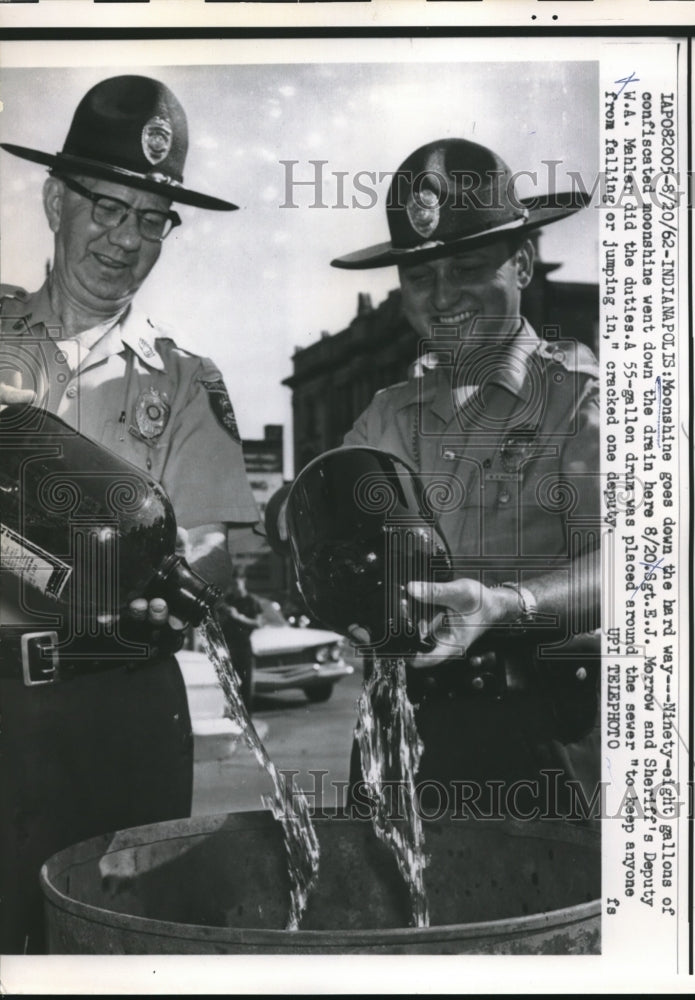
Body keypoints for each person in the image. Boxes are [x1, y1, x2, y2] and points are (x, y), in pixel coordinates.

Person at [0, 75, 259, 953]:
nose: (125, 239)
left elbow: (213, 545)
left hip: (120, 703)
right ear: (55, 202)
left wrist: (181, 583)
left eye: (152, 219)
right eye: (107, 208)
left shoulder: (185, 381)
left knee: (116, 946)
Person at [274, 138, 601, 823]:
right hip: (400, 732)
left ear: (521, 262)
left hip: (543, 732)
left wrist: (507, 605)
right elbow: (316, 515)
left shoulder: (580, 400)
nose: (442, 296)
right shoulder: (386, 417)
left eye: (468, 267)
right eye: (420, 276)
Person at [219, 567, 264, 706]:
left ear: (243, 580)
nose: (236, 584)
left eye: (238, 580)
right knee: (229, 682)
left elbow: (258, 623)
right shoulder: (228, 600)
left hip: (243, 646)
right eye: (233, 581)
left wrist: (239, 617)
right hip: (228, 645)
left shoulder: (251, 601)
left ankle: (247, 715)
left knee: (245, 684)